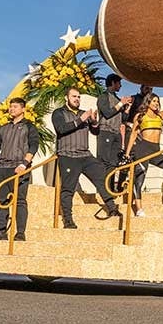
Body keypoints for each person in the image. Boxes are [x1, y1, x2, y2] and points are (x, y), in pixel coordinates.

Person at [51, 87, 121, 228]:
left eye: (78, 97)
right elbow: (61, 129)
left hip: (85, 155)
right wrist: (81, 120)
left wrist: (94, 122)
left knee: (102, 177)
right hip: (67, 155)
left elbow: (95, 131)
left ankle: (112, 207)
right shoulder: (59, 113)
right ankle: (68, 219)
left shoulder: (84, 113)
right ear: (66, 98)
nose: (76, 99)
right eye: (73, 96)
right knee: (68, 189)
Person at [0, 98, 39, 242]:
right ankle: (1, 231)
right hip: (2, 168)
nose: (11, 109)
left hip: (19, 168)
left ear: (23, 109)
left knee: (20, 200)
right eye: (10, 107)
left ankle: (20, 233)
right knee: (1, 200)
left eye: (15, 107)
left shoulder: (30, 127)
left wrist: (24, 164)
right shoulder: (4, 128)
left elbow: (34, 146)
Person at [125, 90, 163, 213]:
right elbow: (133, 136)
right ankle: (139, 208)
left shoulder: (160, 116)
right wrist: (127, 154)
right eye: (154, 101)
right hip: (142, 151)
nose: (156, 103)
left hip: (156, 152)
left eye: (158, 101)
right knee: (139, 179)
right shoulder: (140, 116)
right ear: (148, 102)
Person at [96, 74, 133, 176]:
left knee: (114, 162)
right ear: (113, 83)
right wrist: (121, 104)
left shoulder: (117, 99)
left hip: (116, 133)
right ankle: (102, 188)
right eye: (119, 83)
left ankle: (110, 189)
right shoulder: (103, 97)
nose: (120, 86)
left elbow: (123, 119)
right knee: (104, 161)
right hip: (106, 132)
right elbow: (107, 113)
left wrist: (127, 108)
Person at [123, 84, 153, 150]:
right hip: (131, 130)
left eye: (151, 89)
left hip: (144, 132)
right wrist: (130, 124)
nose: (149, 91)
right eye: (147, 88)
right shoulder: (133, 99)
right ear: (141, 88)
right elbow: (123, 117)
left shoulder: (151, 102)